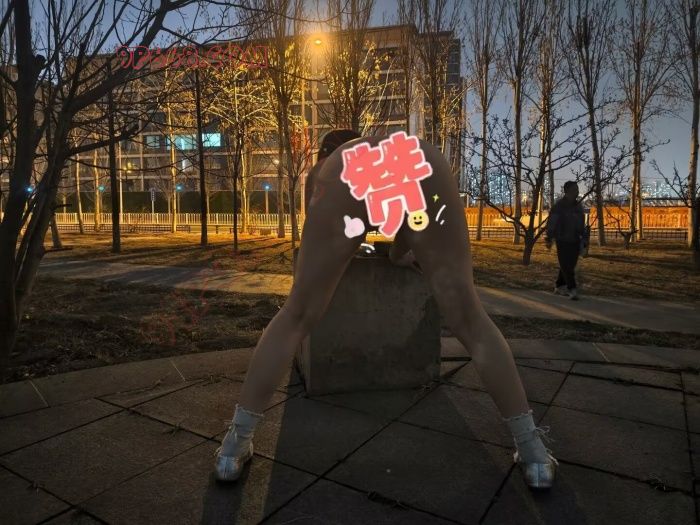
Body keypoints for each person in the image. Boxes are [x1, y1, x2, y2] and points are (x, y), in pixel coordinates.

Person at [214, 130, 558, 489]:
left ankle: (233, 447)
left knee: (296, 315)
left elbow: (323, 249)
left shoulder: (331, 166)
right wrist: (397, 255)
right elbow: (409, 223)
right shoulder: (395, 149)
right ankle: (533, 453)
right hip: (420, 162)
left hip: (347, 174)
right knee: (470, 319)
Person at [545, 181, 586, 300]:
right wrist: (549, 238)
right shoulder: (559, 206)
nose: (577, 192)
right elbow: (552, 223)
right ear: (567, 191)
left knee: (569, 265)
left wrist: (584, 237)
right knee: (566, 265)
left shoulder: (578, 206)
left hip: (575, 239)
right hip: (562, 240)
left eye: (577, 189)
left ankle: (559, 285)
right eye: (574, 189)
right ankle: (572, 288)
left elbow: (581, 223)